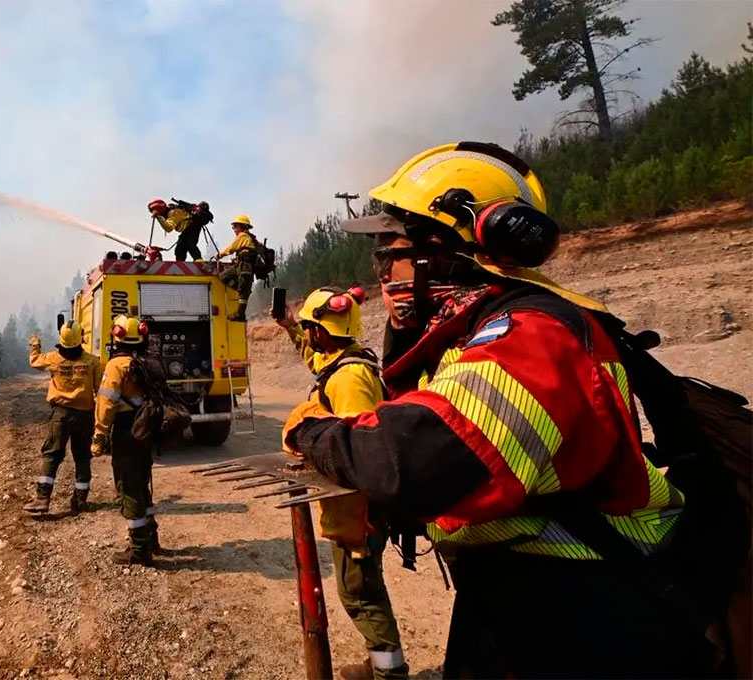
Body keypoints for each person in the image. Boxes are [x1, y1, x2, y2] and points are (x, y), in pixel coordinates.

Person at [283, 142, 717, 677]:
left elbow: (414, 458)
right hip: (522, 588)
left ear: (443, 250)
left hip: (588, 606)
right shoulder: (477, 332)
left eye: (389, 253)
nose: (382, 272)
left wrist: (311, 431)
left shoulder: (532, 333)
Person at [277, 287, 408, 680]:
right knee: (363, 585)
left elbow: (359, 449)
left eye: (308, 328)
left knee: (358, 591)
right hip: (358, 504)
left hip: (358, 508)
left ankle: (389, 672)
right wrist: (289, 327)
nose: (308, 335)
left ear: (321, 331)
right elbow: (316, 360)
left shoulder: (349, 380)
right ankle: (379, 662)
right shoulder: (343, 359)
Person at [91, 314, 160, 566]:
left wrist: (99, 435)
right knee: (142, 482)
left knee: (128, 487)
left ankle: (139, 549)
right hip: (146, 428)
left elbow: (106, 403)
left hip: (126, 430)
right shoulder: (147, 362)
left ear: (117, 337)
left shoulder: (116, 366)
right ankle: (151, 537)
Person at [23, 321, 102, 515]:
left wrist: (35, 344)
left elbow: (35, 361)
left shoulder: (53, 358)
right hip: (84, 415)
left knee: (52, 454)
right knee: (82, 456)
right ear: (80, 338)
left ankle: (42, 498)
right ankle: (80, 500)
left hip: (61, 414)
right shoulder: (93, 361)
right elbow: (99, 390)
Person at [216, 214, 258, 322]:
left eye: (235, 227)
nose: (234, 229)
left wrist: (220, 255)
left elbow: (231, 248)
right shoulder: (247, 238)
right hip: (240, 264)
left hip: (246, 266)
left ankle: (240, 314)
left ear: (241, 226)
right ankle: (241, 290)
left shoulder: (243, 236)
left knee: (243, 289)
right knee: (223, 277)